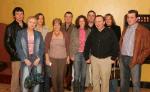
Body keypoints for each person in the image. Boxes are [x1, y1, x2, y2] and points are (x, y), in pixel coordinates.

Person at [84, 15, 119, 92]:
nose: (97, 23)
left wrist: (113, 58)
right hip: (94, 59)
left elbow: (116, 45)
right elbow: (87, 45)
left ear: (104, 22)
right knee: (95, 79)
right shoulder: (93, 32)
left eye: (99, 21)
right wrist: (86, 57)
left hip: (106, 60)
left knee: (105, 80)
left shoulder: (110, 32)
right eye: (96, 21)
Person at [120, 10, 150, 92]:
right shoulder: (125, 29)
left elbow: (148, 48)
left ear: (137, 19)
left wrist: (139, 59)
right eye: (128, 17)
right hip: (123, 58)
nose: (129, 19)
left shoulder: (144, 31)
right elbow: (121, 43)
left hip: (134, 59)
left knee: (135, 83)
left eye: (132, 17)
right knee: (123, 82)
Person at [15, 16, 44, 92]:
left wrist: (39, 58)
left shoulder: (39, 34)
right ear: (27, 23)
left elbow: (42, 47)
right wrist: (24, 59)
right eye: (30, 22)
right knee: (24, 81)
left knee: (37, 81)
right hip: (25, 59)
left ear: (36, 24)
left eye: (34, 23)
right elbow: (18, 47)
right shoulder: (20, 33)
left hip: (37, 59)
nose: (32, 24)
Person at [4, 7, 27, 92]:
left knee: (25, 75)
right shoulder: (10, 27)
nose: (20, 16)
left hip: (26, 56)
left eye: (21, 13)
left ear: (23, 15)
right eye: (17, 14)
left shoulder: (26, 26)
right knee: (15, 76)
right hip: (16, 56)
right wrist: (15, 54)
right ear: (14, 16)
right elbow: (7, 43)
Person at [45, 18, 70, 92]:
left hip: (63, 58)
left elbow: (67, 46)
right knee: (54, 77)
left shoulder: (65, 34)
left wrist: (68, 57)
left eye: (58, 24)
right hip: (52, 58)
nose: (56, 26)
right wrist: (47, 58)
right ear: (53, 26)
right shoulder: (49, 34)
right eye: (54, 25)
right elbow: (46, 47)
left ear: (60, 25)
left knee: (61, 76)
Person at [70, 15, 91, 92]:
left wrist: (89, 57)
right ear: (78, 22)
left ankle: (82, 90)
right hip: (76, 54)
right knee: (76, 74)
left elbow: (91, 45)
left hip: (85, 55)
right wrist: (71, 54)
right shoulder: (74, 30)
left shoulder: (88, 30)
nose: (81, 22)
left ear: (85, 22)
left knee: (84, 74)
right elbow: (71, 43)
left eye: (83, 21)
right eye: (80, 21)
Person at [35, 13, 50, 92]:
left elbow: (50, 40)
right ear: (36, 20)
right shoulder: (33, 29)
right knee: (38, 71)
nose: (40, 20)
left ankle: (46, 89)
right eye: (38, 18)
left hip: (46, 53)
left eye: (42, 18)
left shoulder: (47, 28)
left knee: (47, 72)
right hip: (37, 55)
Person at [61, 11, 75, 91]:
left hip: (70, 51)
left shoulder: (75, 27)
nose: (68, 18)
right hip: (60, 51)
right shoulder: (60, 26)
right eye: (66, 16)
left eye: (70, 17)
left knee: (69, 70)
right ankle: (61, 83)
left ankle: (68, 84)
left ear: (72, 18)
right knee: (62, 69)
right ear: (64, 17)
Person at [85, 10, 96, 89]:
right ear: (87, 17)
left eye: (93, 15)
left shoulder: (98, 26)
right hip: (86, 51)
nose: (91, 17)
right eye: (89, 15)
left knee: (95, 69)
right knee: (86, 69)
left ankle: (94, 84)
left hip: (96, 52)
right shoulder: (84, 27)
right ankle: (87, 84)